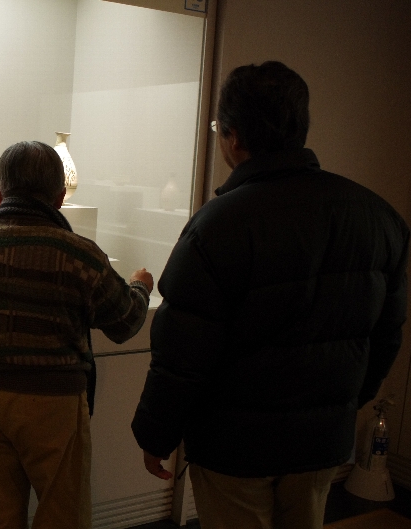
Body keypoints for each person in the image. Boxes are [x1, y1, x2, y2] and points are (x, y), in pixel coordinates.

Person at [131, 61, 409, 529]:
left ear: (234, 137)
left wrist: (156, 434)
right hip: (321, 441)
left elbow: (181, 353)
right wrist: (341, 407)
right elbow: (387, 337)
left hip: (233, 446)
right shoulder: (378, 217)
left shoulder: (216, 226)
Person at [0, 140, 153, 529]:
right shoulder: (80, 254)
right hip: (53, 400)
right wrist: (140, 285)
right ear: (59, 197)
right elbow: (126, 323)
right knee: (62, 511)